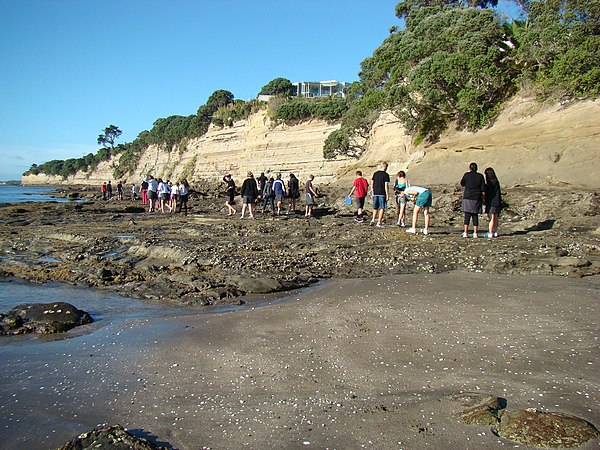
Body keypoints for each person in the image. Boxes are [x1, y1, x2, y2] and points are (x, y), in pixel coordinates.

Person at [460, 162, 485, 238]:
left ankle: (465, 232)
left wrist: (467, 174)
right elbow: (483, 188)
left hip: (467, 196)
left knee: (467, 215)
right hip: (476, 197)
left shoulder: (467, 175)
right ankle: (475, 233)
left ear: (470, 168)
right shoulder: (480, 176)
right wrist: (483, 199)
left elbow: (462, 183)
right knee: (475, 215)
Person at [371, 161, 390, 227]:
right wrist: (387, 194)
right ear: (385, 167)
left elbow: (372, 183)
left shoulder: (375, 174)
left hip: (376, 192)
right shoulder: (386, 175)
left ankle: (373, 219)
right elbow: (386, 185)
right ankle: (379, 222)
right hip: (382, 193)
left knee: (375, 207)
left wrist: (372, 191)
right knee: (382, 207)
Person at [484, 167, 501, 238]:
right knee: (495, 216)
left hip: (491, 202)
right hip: (497, 201)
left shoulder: (490, 183)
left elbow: (488, 192)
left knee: (492, 217)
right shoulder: (496, 181)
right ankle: (495, 231)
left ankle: (490, 232)